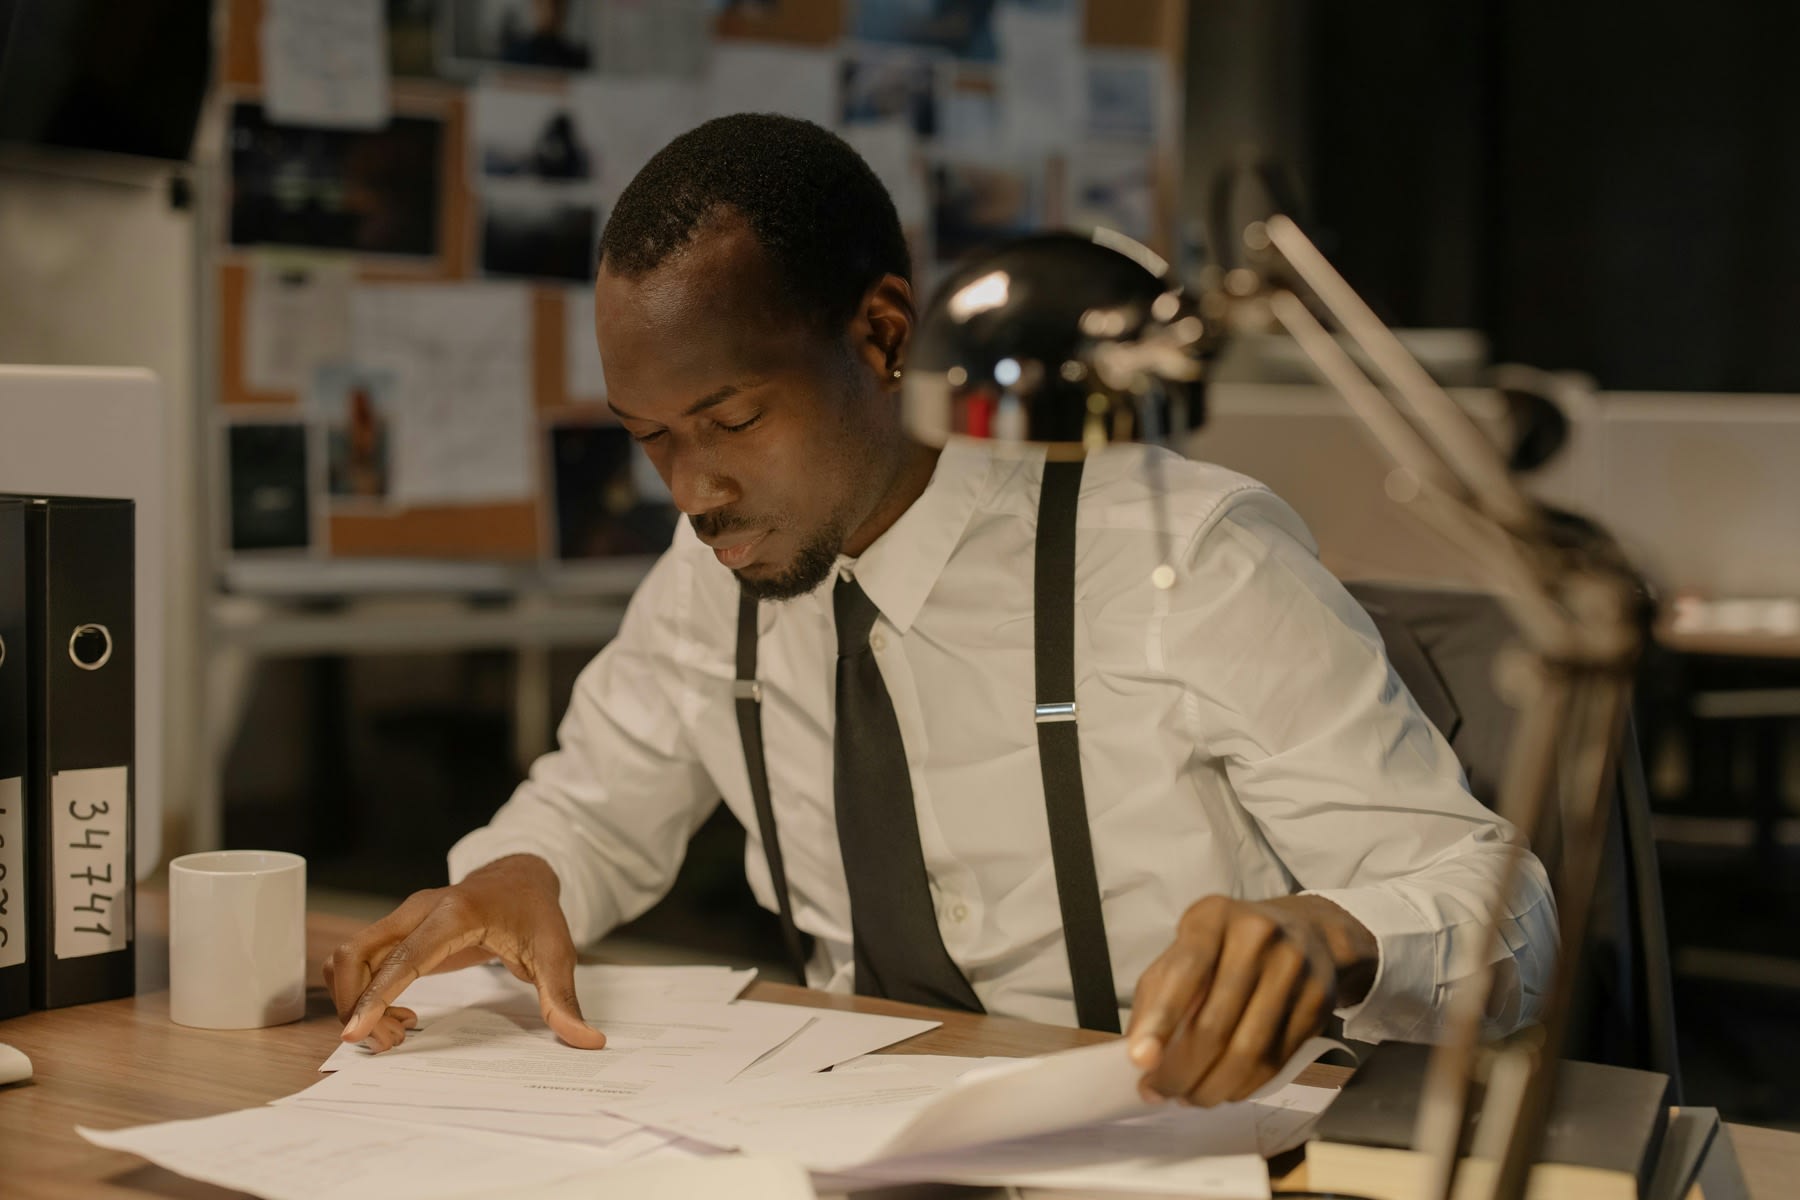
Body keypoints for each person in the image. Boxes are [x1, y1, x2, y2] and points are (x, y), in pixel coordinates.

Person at [326, 114, 1557, 1108]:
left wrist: (1331, 935)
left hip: (1179, 1138)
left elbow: (1500, 908)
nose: (692, 491)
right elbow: (593, 805)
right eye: (650, 440)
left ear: (882, 334)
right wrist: (516, 874)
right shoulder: (717, 575)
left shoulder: (1187, 554)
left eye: (735, 420)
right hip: (856, 1131)